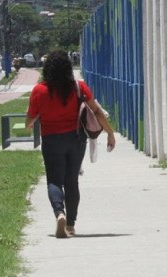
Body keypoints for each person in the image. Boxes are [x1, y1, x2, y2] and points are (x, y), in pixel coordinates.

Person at [25, 50, 115, 238]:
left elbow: (29, 121)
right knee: (72, 181)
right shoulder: (79, 87)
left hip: (51, 141)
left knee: (54, 180)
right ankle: (71, 225)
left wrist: (33, 121)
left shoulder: (39, 90)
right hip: (76, 139)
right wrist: (110, 133)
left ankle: (60, 214)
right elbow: (96, 111)